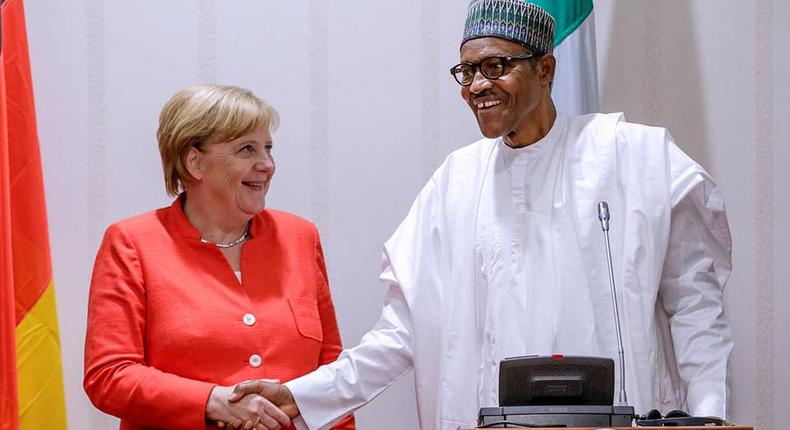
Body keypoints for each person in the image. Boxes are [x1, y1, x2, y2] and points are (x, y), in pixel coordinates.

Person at [231, 0, 734, 429]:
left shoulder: (636, 157)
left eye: (496, 66)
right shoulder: (455, 182)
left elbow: (694, 303)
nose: (476, 86)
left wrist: (709, 416)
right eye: (467, 71)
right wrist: (303, 396)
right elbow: (400, 333)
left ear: (546, 68)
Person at [83, 85, 355, 430]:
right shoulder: (131, 243)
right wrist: (213, 402)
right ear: (194, 162)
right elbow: (109, 375)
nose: (267, 165)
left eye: (268, 149)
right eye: (247, 149)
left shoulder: (301, 237)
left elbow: (331, 374)